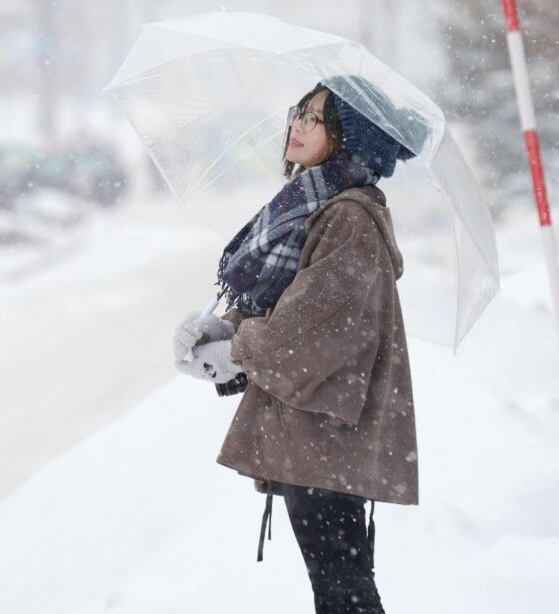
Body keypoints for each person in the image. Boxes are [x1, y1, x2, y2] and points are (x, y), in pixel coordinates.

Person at [172, 76, 428, 614]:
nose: (297, 125)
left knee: (344, 593)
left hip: (327, 435)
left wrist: (237, 348)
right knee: (339, 590)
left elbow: (309, 334)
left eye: (315, 118)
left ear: (348, 137)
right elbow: (289, 309)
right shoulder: (313, 206)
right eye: (299, 112)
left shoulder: (348, 219)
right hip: (314, 433)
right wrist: (227, 328)